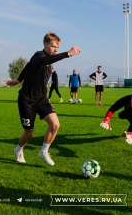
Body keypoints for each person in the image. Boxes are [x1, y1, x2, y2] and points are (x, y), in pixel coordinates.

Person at [6, 31, 81, 166]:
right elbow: (41, 61)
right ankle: (18, 149)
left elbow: (28, 66)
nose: (55, 50)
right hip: (27, 100)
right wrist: (67, 54)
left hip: (41, 99)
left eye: (57, 48)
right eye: (53, 47)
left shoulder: (48, 59)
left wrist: (18, 79)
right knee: (29, 133)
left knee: (55, 125)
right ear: (45, 44)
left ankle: (44, 151)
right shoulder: (39, 55)